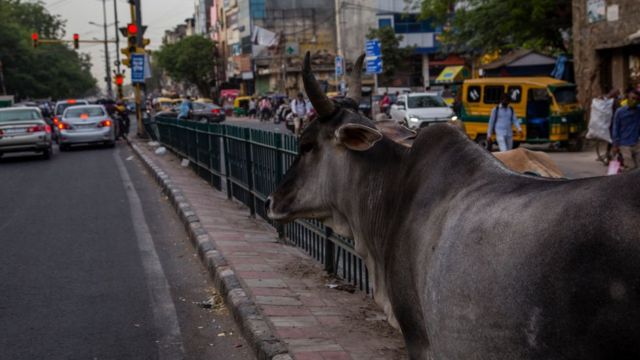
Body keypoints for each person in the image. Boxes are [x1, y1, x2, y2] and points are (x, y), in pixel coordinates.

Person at [611, 88, 640, 171]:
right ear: (628, 98)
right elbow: (615, 128)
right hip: (624, 144)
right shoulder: (620, 112)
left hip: (636, 143)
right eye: (633, 98)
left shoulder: (638, 110)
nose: (634, 101)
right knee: (630, 168)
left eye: (637, 99)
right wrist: (615, 145)